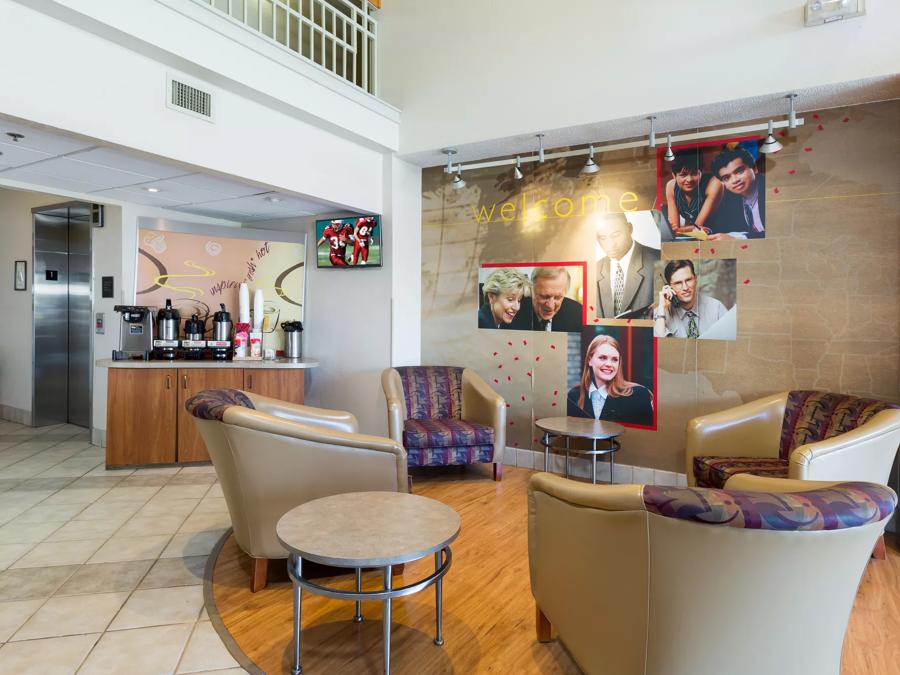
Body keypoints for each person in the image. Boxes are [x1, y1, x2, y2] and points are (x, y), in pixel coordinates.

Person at [567, 334, 654, 426]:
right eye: (602, 358)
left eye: (614, 359)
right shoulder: (574, 395)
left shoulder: (638, 395)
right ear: (590, 360)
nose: (609, 364)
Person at [595, 212, 659, 319]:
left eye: (616, 235)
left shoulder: (657, 260)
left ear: (630, 229)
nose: (610, 244)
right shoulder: (594, 269)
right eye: (603, 238)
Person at [653, 260, 727, 338]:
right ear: (669, 287)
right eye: (678, 283)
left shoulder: (717, 308)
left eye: (688, 280)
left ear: (695, 279)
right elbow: (658, 344)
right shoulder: (659, 315)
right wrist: (662, 308)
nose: (685, 287)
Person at [664, 149, 724, 239]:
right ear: (674, 176)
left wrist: (681, 230)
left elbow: (698, 226)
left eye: (695, 173)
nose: (689, 179)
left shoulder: (714, 184)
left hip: (723, 235)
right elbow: (672, 230)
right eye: (683, 175)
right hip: (695, 238)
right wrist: (684, 229)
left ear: (701, 172)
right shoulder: (671, 186)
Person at [710, 146, 766, 239]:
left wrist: (740, 238)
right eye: (726, 178)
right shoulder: (730, 198)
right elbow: (721, 225)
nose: (735, 180)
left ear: (754, 169)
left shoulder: (769, 190)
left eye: (739, 171)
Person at [509, 266, 583, 332]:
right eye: (544, 296)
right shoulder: (512, 312)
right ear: (531, 290)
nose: (550, 306)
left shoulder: (578, 314)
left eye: (558, 297)